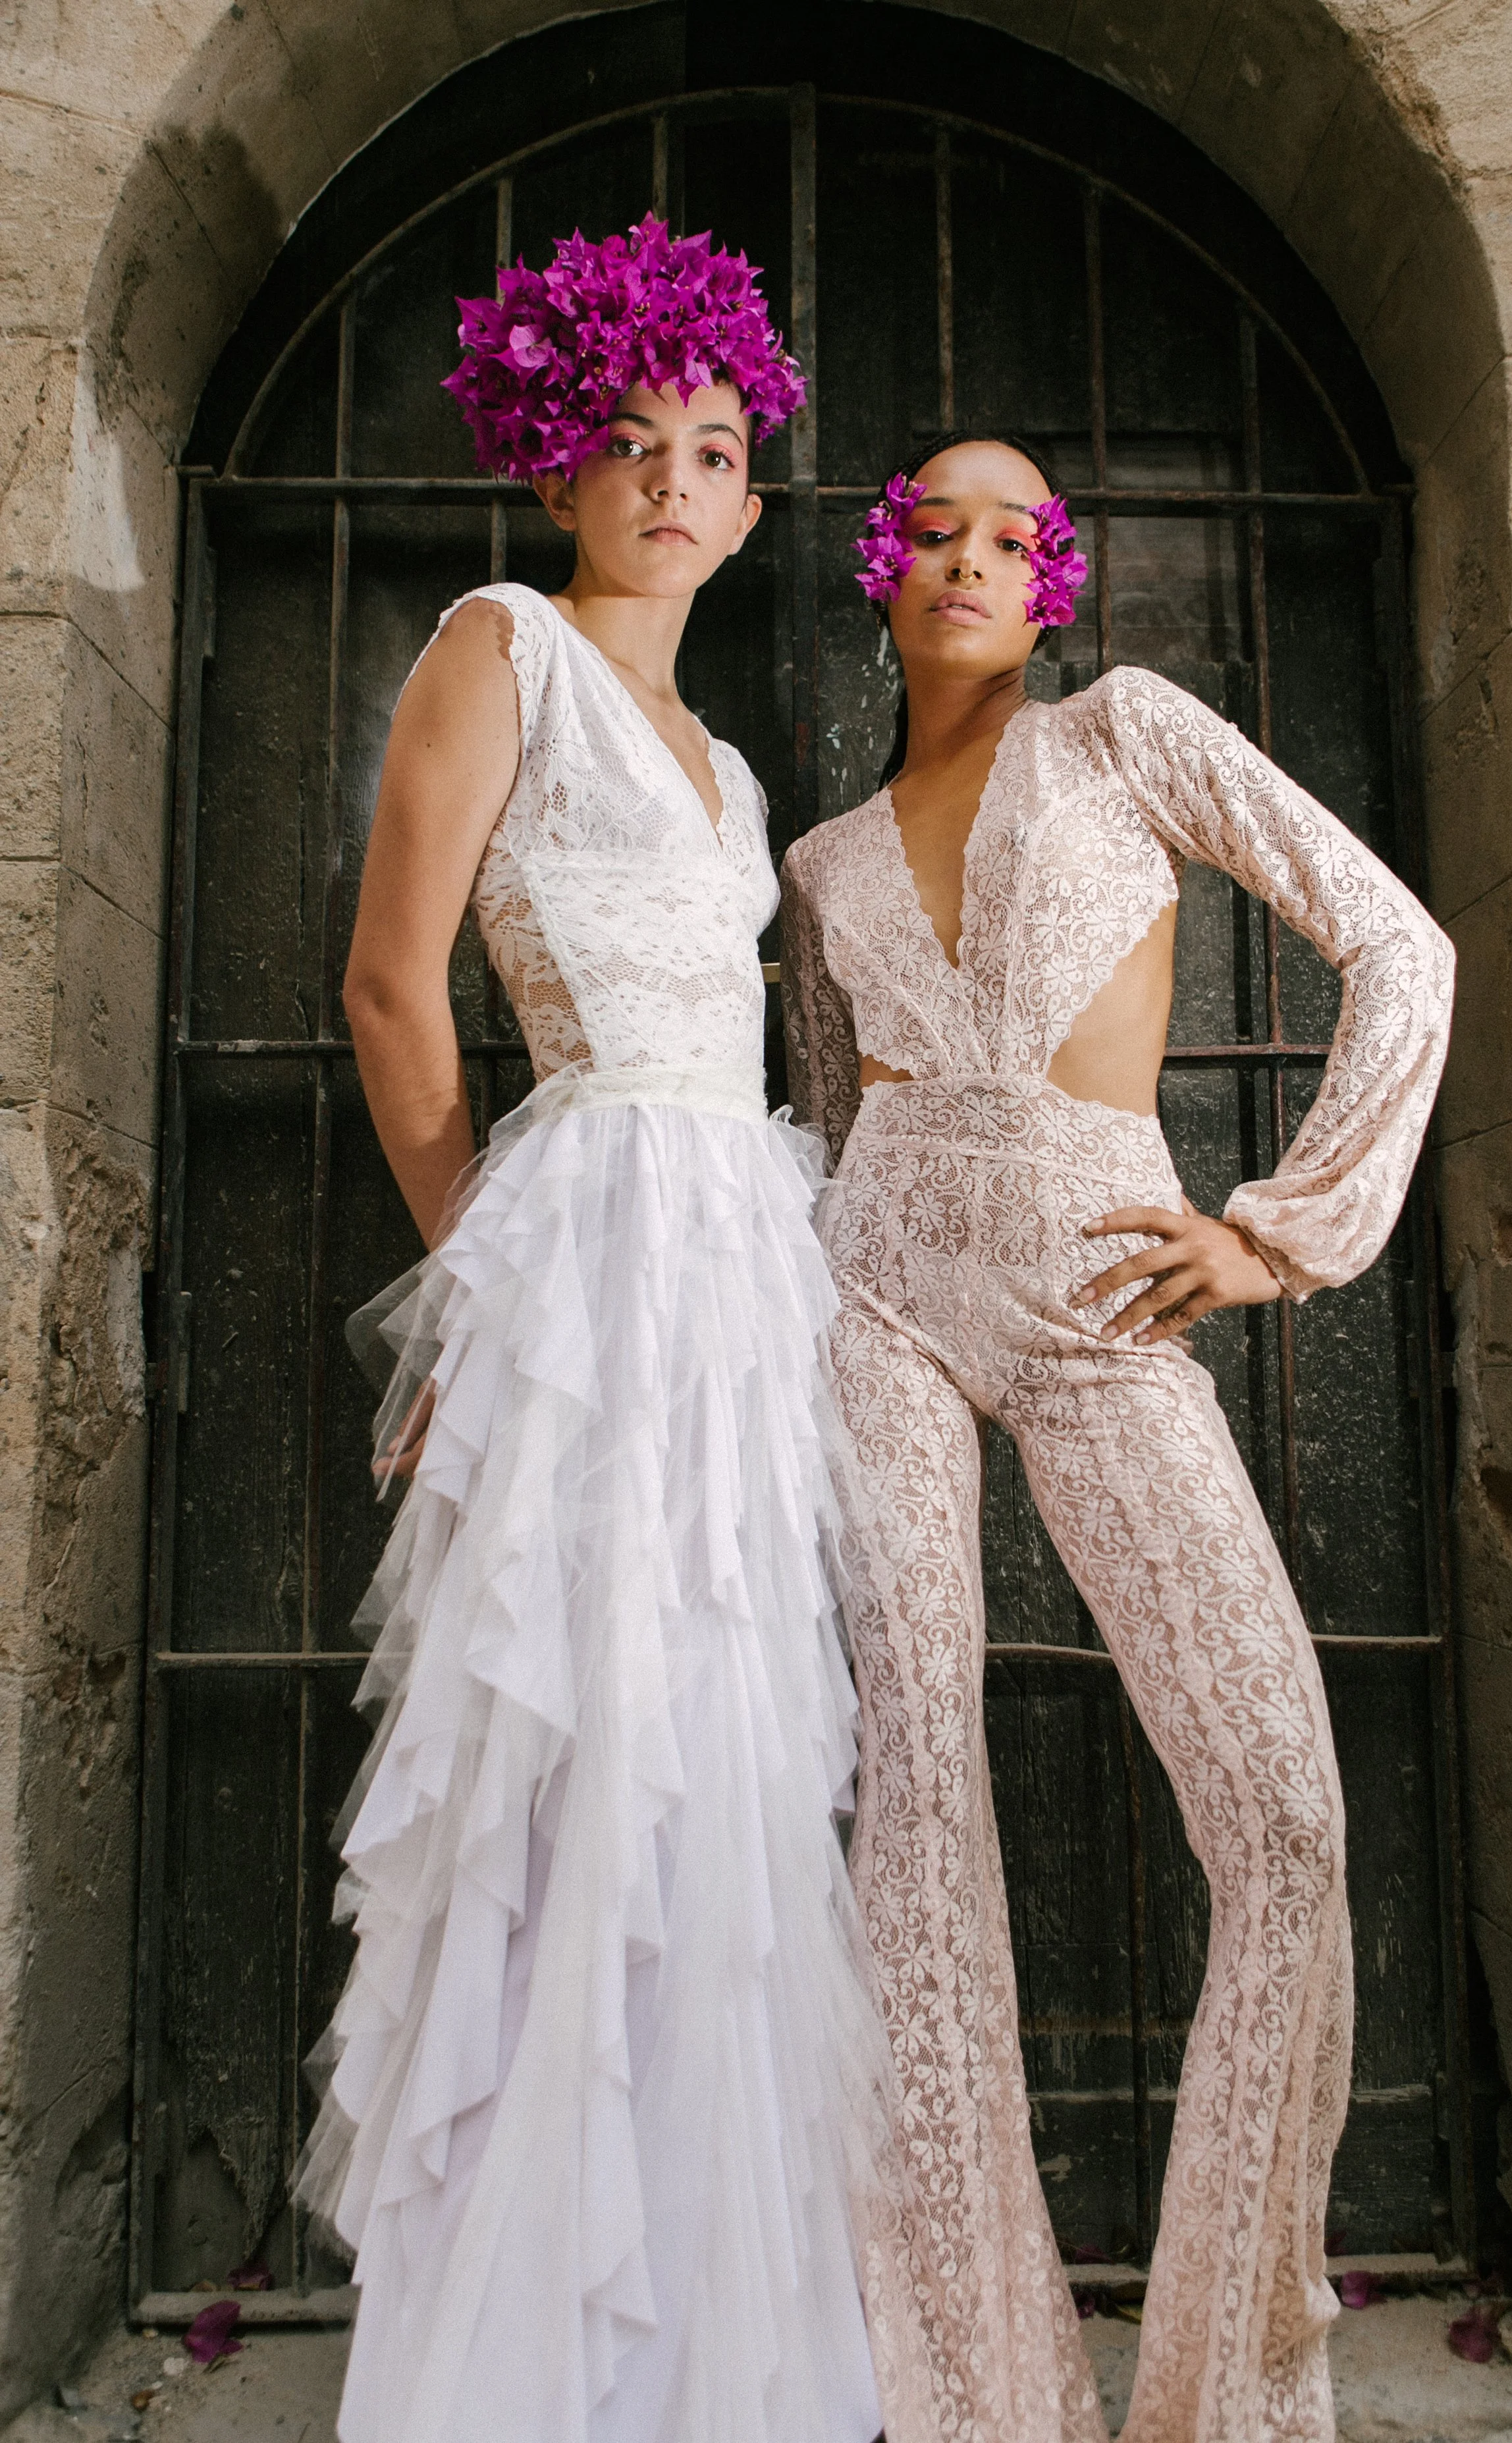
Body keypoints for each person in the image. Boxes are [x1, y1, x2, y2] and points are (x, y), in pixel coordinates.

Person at [780, 431, 1454, 2443]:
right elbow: (821, 1118)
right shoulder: (818, 861)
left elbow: (1397, 943)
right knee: (911, 1818)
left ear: (1053, 579)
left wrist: (1279, 1236)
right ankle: (978, 2391)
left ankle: (1220, 2394)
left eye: (1016, 531)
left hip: (1102, 1282)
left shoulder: (1123, 733)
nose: (974, 552)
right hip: (874, 1288)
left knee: (1283, 1816)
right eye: (935, 524)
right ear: (877, 567)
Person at [296, 219, 896, 2443]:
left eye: (713, 445)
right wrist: (488, 1279)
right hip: (588, 1231)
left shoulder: (728, 766)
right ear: (562, 459)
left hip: (735, 1243)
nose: (669, 474)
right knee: (576, 1730)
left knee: (724, 1743)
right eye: (630, 437)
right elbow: (390, 986)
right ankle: (525, 2348)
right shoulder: (501, 644)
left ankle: (701, 2340)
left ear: (751, 504)